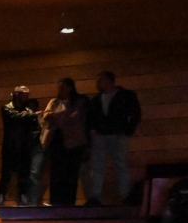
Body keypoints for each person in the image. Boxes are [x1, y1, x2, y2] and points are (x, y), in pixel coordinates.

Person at [87, 70, 141, 205]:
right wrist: (92, 129)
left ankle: (125, 196)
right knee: (100, 167)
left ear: (108, 81)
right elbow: (91, 117)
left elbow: (136, 113)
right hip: (101, 135)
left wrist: (128, 129)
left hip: (116, 134)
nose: (97, 84)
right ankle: (97, 197)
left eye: (100, 81)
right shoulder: (97, 99)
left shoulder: (125, 96)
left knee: (119, 165)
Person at [41, 77, 88, 207]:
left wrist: (57, 116)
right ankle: (55, 201)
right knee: (56, 172)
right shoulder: (54, 102)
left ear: (70, 88)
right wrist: (63, 116)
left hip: (74, 142)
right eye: (58, 87)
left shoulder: (79, 101)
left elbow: (75, 117)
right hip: (56, 140)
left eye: (62, 87)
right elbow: (46, 115)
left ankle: (69, 203)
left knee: (71, 173)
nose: (59, 90)